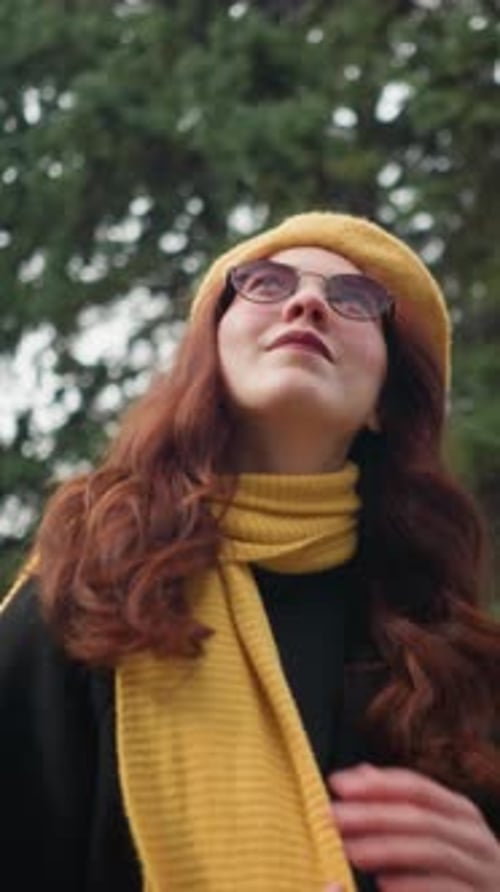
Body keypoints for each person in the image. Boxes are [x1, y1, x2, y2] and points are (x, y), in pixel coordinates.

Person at [1, 210, 499, 892]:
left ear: (386, 402)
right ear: (211, 357)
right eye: (265, 283)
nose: (308, 302)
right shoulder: (89, 586)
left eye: (355, 300)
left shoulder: (458, 661)